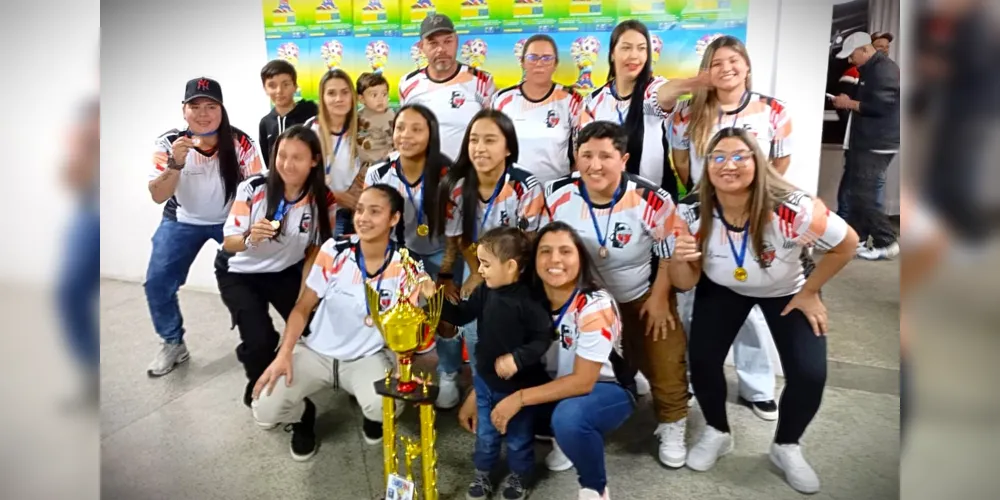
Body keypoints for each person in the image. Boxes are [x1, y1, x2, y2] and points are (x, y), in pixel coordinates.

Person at [669, 127, 859, 494]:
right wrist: (680, 259)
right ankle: (717, 431)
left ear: (758, 161)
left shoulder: (794, 207)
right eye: (718, 157)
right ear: (707, 167)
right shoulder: (691, 209)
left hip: (786, 290)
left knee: (809, 373)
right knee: (703, 362)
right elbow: (685, 282)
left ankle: (786, 445)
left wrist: (811, 292)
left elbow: (847, 244)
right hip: (722, 288)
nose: (729, 165)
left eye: (740, 156)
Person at [543, 121, 688, 469]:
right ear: (575, 158)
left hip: (639, 293)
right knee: (563, 362)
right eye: (586, 155)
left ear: (623, 159)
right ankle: (566, 429)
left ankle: (672, 421)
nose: (595, 165)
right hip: (578, 301)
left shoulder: (652, 198)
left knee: (664, 353)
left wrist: (658, 297)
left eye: (605, 156)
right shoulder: (556, 194)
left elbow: (669, 252)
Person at [671, 35, 794, 420]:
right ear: (707, 70)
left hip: (753, 213)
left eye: (733, 61)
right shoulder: (688, 113)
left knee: (751, 302)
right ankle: (694, 377)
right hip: (702, 211)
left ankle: (757, 386)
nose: (726, 69)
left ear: (746, 65)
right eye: (717, 63)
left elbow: (780, 162)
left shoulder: (773, 110)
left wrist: (750, 196)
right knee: (692, 300)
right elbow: (680, 163)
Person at [252, 185, 413, 461]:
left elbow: (402, 328)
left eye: (375, 211)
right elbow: (302, 307)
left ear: (394, 218)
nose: (362, 217)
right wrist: (285, 353)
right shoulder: (334, 250)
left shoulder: (405, 266)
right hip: (316, 352)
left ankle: (371, 416)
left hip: (365, 357)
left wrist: (403, 368)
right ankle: (304, 417)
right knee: (265, 410)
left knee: (385, 406)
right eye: (360, 209)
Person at [481, 222, 635, 500]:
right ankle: (557, 434)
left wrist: (518, 399)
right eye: (545, 251)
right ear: (533, 259)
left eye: (566, 251)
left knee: (570, 418)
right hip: (546, 382)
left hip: (604, 388)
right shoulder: (524, 299)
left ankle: (594, 488)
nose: (555, 260)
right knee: (490, 414)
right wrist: (478, 394)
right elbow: (496, 352)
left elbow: (582, 382)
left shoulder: (594, 304)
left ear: (580, 258)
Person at [145, 77, 263, 377]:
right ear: (183, 110)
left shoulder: (241, 142)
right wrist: (175, 164)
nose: (203, 113)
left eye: (211, 106)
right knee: (158, 282)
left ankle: (263, 342)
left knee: (261, 277)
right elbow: (158, 195)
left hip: (229, 219)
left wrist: (242, 229)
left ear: (222, 110)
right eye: (194, 106)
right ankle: (173, 343)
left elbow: (256, 190)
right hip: (182, 219)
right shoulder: (168, 142)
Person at [216, 125, 335, 412]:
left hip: (284, 271)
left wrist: (304, 298)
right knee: (260, 340)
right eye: (282, 156)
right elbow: (228, 242)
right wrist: (248, 237)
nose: (287, 164)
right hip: (239, 272)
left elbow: (315, 250)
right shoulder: (253, 188)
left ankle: (324, 377)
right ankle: (259, 382)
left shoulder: (322, 198)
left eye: (297, 157)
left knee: (311, 326)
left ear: (314, 161)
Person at [430, 227, 551, 500]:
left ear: (511, 266)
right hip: (485, 382)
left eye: (485, 264)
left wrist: (517, 359)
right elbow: (461, 316)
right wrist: (434, 298)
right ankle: (483, 474)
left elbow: (542, 339)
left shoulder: (531, 300)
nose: (480, 271)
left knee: (520, 439)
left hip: (519, 386)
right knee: (485, 435)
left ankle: (520, 476)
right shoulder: (485, 291)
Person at [437, 109, 546, 409]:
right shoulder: (455, 186)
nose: (480, 148)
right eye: (474, 140)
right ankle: (480, 394)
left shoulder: (526, 186)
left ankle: (521, 402)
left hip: (516, 274)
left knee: (515, 339)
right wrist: (477, 274)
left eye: (490, 140)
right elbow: (459, 238)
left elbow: (529, 244)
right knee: (475, 334)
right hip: (479, 267)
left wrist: (499, 279)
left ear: (508, 147)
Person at [579, 19, 707, 195]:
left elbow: (665, 93)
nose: (634, 55)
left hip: (654, 201)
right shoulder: (593, 101)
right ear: (612, 54)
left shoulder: (652, 90)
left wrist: (697, 83)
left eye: (641, 48)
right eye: (626, 48)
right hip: (609, 199)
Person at [832, 32, 900, 260]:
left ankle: (886, 241)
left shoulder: (884, 70)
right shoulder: (871, 69)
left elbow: (882, 106)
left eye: (852, 56)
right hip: (868, 141)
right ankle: (858, 238)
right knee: (859, 193)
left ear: (864, 50)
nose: (850, 61)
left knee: (865, 195)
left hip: (877, 143)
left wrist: (847, 103)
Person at [399, 13, 497, 162]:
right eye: (433, 43)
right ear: (421, 47)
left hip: (470, 176)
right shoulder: (408, 84)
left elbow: (493, 132)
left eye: (447, 41)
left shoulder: (481, 81)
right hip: (424, 176)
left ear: (456, 42)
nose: (441, 49)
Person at [491, 34, 582, 183]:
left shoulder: (571, 100)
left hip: (556, 191)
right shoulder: (502, 100)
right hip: (513, 190)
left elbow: (582, 150)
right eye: (533, 57)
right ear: (522, 62)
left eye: (547, 58)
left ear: (556, 64)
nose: (539, 63)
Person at [58, 95, 100, 404]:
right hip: (88, 211)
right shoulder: (85, 115)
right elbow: (69, 177)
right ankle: (90, 372)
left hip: (102, 213)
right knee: (69, 291)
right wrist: (80, 151)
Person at [306, 69, 364, 236]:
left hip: (357, 211)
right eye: (331, 93)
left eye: (345, 92)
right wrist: (334, 195)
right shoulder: (311, 130)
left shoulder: (364, 128)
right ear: (322, 98)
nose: (339, 99)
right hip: (320, 211)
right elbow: (300, 176)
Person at [258, 59, 318, 169]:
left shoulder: (311, 113)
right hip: (279, 183)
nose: (279, 91)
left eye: (286, 84)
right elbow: (269, 164)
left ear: (295, 86)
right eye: (272, 85)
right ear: (265, 89)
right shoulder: (265, 123)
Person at [356, 72, 396, 167]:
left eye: (384, 94)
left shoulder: (392, 116)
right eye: (374, 95)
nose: (380, 99)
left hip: (389, 164)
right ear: (361, 99)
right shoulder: (357, 117)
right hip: (365, 167)